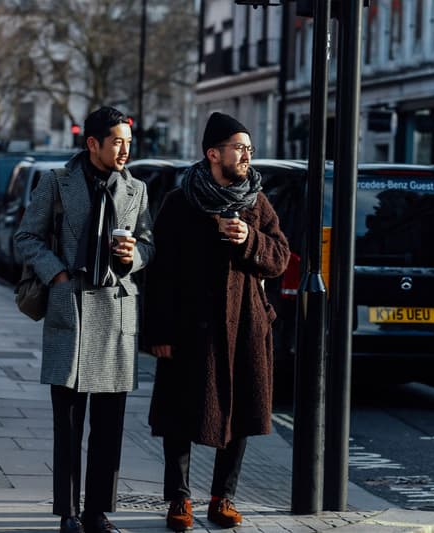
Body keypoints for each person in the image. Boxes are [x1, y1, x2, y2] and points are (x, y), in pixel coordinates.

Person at [145, 112, 290, 532]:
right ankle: (179, 499)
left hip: (244, 325)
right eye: (238, 148)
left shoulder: (256, 201)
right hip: (189, 327)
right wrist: (159, 333)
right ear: (213, 154)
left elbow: (279, 257)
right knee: (179, 414)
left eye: (249, 149)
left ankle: (222, 497)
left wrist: (250, 240)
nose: (246, 156)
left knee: (240, 411)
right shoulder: (179, 202)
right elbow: (160, 273)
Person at [14, 106, 155, 533]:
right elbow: (26, 235)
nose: (125, 150)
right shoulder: (56, 182)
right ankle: (69, 514)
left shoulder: (137, 189)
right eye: (117, 141)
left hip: (115, 312)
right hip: (71, 311)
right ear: (92, 143)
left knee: (109, 427)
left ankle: (97, 512)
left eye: (129, 142)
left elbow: (149, 241)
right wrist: (55, 272)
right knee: (69, 425)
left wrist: (136, 257)